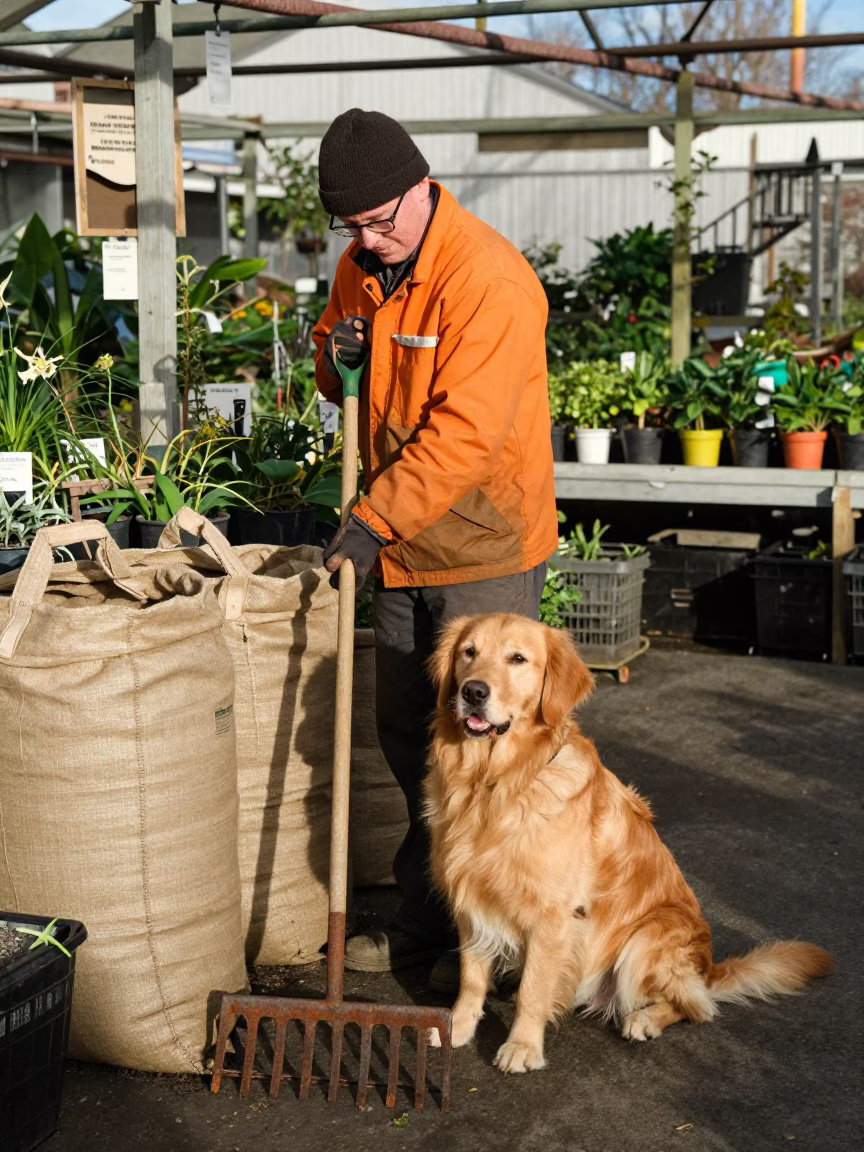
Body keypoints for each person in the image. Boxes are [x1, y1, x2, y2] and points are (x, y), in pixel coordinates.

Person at [313, 108, 558, 991]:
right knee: (408, 737)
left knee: (488, 750)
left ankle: (489, 942)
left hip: (483, 541)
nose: (371, 241)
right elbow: (339, 376)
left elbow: (463, 436)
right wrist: (329, 352)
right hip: (402, 540)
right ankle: (432, 922)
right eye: (355, 228)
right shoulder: (360, 270)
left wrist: (370, 522)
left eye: (383, 220)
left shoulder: (488, 277)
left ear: (423, 186)